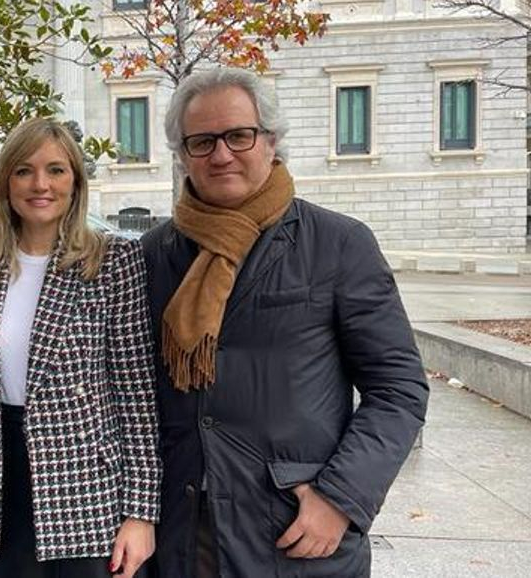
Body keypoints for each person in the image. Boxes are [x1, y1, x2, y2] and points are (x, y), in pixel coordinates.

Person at [140, 67, 429, 577]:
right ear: (183, 154)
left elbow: (398, 389)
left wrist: (340, 498)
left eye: (238, 135)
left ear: (271, 141)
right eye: (202, 141)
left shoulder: (338, 244)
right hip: (181, 534)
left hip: (292, 531)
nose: (222, 154)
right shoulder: (155, 253)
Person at [0, 118, 161, 578]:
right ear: (6, 182)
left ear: (75, 181)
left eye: (56, 170)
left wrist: (140, 513)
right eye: (24, 171)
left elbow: (136, 395)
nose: (40, 184)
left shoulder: (112, 260)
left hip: (85, 490)